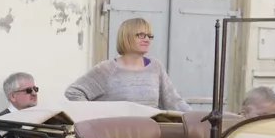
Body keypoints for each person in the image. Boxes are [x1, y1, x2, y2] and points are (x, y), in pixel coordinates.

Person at [63, 17, 191, 111]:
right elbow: (73, 93)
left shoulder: (155, 67)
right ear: (127, 37)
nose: (147, 39)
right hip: (118, 136)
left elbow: (173, 102)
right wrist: (96, 116)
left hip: (151, 135)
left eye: (149, 36)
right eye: (141, 35)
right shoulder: (107, 70)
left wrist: (197, 118)